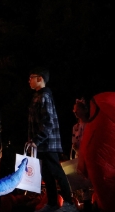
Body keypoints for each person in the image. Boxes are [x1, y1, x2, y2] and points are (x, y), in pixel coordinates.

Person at [27, 68, 72, 212]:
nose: (29, 80)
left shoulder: (44, 96)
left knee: (56, 172)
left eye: (31, 77)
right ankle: (52, 203)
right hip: (42, 143)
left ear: (40, 78)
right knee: (46, 174)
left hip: (48, 142)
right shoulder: (38, 96)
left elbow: (48, 121)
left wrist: (37, 139)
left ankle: (69, 204)